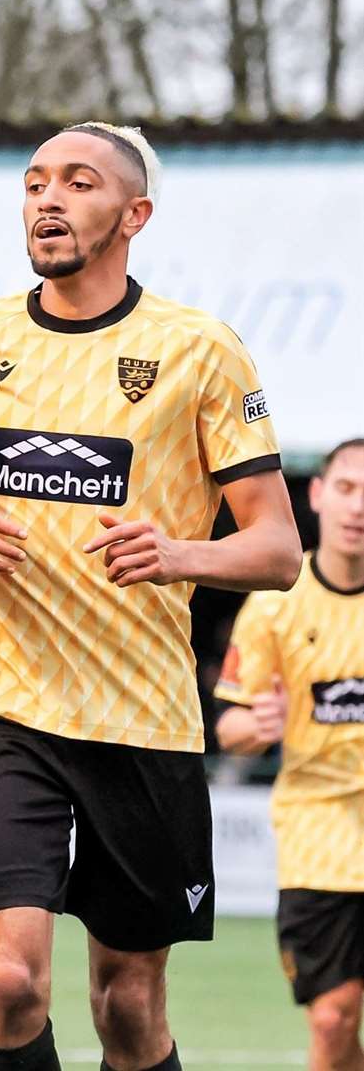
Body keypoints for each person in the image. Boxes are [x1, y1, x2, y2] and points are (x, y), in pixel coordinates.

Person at [0, 121, 302, 1071]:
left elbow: (278, 549)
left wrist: (179, 553)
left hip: (142, 719)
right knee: (8, 985)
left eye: (75, 183)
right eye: (34, 181)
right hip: (0, 705)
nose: (46, 199)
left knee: (126, 1006)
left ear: (134, 214)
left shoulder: (198, 351)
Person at [215, 437, 364, 1071]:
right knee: (333, 1017)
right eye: (347, 488)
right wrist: (258, 726)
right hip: (317, 831)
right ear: (317, 495)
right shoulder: (277, 601)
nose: (358, 507)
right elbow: (228, 728)